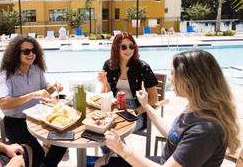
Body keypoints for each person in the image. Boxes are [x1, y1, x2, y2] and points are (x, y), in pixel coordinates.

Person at [98, 49, 241, 167]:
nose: (170, 79)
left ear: (191, 80)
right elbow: (173, 134)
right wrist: (146, 105)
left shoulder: (205, 131)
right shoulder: (197, 108)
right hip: (164, 161)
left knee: (104, 164)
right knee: (103, 162)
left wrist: (123, 150)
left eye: (173, 73)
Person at [0, 35, 67, 167]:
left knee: (63, 141)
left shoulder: (37, 69)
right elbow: (2, 103)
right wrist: (32, 95)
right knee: (37, 154)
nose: (31, 54)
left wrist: (54, 86)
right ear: (16, 54)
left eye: (33, 51)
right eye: (26, 51)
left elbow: (45, 91)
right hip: (15, 123)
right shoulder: (7, 73)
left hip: (36, 119)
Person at [97, 32, 158, 132]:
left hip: (137, 110)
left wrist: (135, 111)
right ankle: (118, 147)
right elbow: (104, 94)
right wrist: (104, 84)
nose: (128, 50)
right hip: (114, 107)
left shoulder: (142, 67)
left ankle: (119, 147)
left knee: (112, 132)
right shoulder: (109, 65)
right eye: (124, 47)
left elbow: (154, 99)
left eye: (131, 46)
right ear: (116, 48)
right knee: (101, 128)